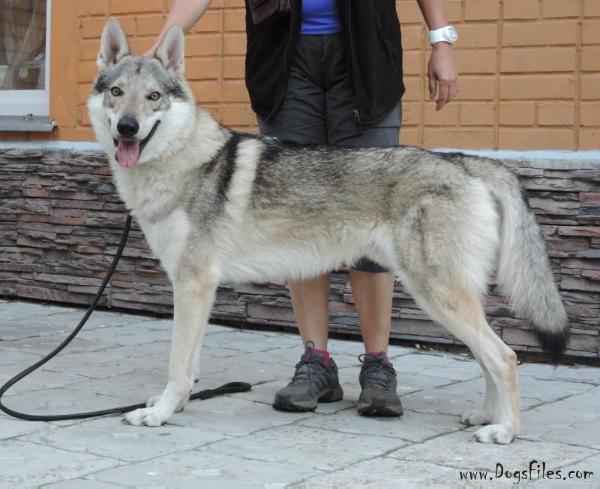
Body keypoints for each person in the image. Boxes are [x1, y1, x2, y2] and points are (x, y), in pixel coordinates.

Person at [149, 0, 458, 417]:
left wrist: (441, 40)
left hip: (366, 59)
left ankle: (377, 364)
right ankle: (317, 361)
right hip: (284, 62)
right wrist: (156, 53)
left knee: (373, 211)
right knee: (298, 216)